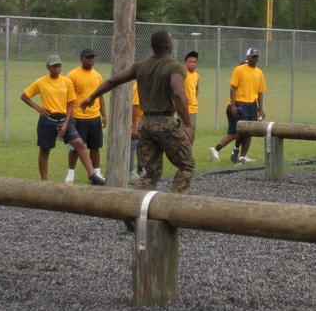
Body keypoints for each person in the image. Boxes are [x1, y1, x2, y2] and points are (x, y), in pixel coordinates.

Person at [80, 30, 195, 194]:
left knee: (151, 173)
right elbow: (178, 92)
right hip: (166, 123)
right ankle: (174, 206)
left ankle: (135, 210)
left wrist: (92, 97)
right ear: (169, 46)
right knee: (186, 165)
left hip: (145, 124)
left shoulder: (140, 66)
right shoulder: (175, 67)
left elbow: (114, 80)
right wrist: (188, 124)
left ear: (153, 46)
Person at [19, 54, 106, 185]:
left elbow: (70, 103)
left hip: (64, 118)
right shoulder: (41, 82)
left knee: (79, 144)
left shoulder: (66, 82)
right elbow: (24, 96)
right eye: (54, 66)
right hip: (47, 119)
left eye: (59, 66)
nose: (57, 68)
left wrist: (66, 122)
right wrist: (39, 108)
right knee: (44, 150)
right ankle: (44, 181)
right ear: (48, 67)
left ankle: (92, 175)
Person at [209, 47, 266, 164]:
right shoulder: (239, 70)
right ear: (248, 57)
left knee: (249, 131)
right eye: (253, 56)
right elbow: (233, 88)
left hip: (252, 105)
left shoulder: (259, 72)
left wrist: (260, 109)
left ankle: (242, 157)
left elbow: (260, 92)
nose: (255, 58)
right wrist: (233, 105)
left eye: (257, 56)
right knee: (242, 131)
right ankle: (235, 150)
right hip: (241, 103)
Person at [66, 48, 107, 183]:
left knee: (95, 147)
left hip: (94, 117)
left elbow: (100, 97)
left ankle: (97, 173)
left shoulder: (97, 75)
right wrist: (70, 117)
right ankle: (71, 173)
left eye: (92, 58)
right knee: (75, 148)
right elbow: (68, 98)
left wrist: (104, 115)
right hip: (78, 118)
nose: (91, 60)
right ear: (81, 59)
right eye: (88, 58)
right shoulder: (72, 75)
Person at [184, 51, 200, 148]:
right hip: (184, 108)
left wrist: (193, 97)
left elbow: (197, 89)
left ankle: (188, 152)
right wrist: (184, 99)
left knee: (192, 133)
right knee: (185, 133)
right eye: (190, 62)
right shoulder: (182, 73)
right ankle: (184, 154)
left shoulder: (196, 75)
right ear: (185, 62)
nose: (192, 64)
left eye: (194, 62)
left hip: (193, 108)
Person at [129, 83, 143, 180]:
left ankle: (141, 168)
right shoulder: (138, 87)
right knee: (133, 144)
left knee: (141, 145)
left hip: (142, 121)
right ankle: (130, 170)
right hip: (136, 121)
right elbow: (133, 106)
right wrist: (134, 126)